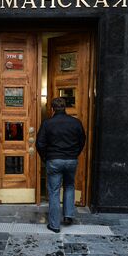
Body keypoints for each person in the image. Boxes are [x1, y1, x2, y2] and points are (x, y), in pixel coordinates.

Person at [36, 97, 86, 233]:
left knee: (54, 191)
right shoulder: (76, 123)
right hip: (71, 160)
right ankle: (68, 216)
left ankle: (54, 225)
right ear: (65, 107)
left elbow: (39, 143)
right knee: (69, 186)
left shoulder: (47, 123)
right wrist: (75, 153)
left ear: (52, 108)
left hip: (54, 160)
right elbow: (82, 141)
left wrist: (45, 158)